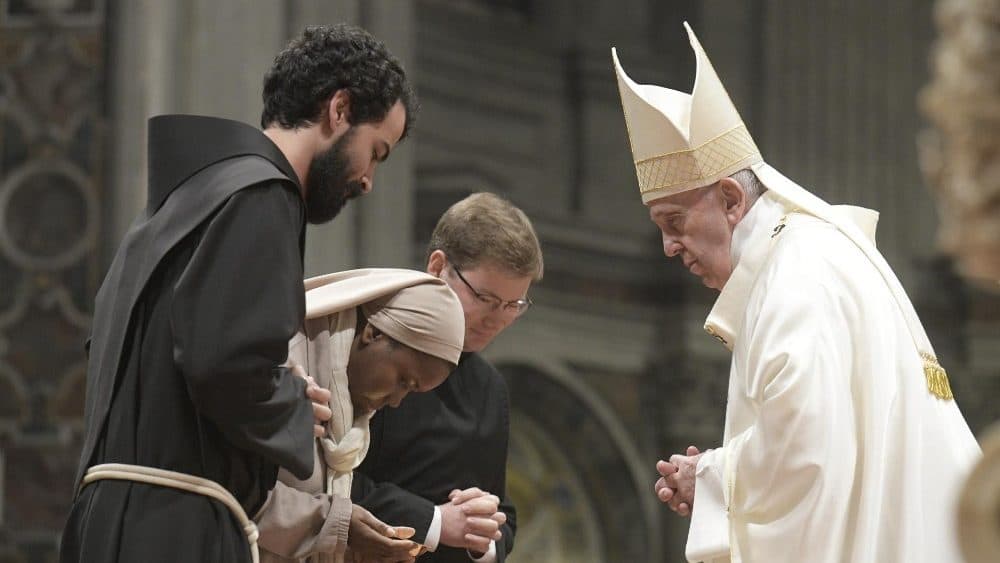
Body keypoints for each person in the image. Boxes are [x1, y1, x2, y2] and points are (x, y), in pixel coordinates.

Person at [612, 23, 981, 563]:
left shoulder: (795, 275)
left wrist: (710, 477)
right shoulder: (807, 253)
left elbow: (806, 454)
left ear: (732, 199)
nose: (669, 247)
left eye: (675, 221)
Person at [61, 24, 416, 563]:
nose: (368, 179)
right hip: (175, 530)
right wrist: (296, 406)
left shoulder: (189, 197)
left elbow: (184, 359)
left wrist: (276, 379)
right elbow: (222, 364)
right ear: (338, 110)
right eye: (377, 151)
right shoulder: (261, 197)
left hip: (115, 519)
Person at [352, 193, 544, 562]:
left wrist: (483, 533)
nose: (497, 319)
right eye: (486, 298)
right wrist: (435, 521)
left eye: (513, 306)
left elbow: (502, 511)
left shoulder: (489, 387)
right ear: (438, 267)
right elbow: (330, 485)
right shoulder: (370, 346)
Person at [256, 268, 466, 563]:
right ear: (373, 333)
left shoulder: (350, 402)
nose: (395, 401)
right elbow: (230, 484)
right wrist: (335, 525)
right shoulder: (282, 357)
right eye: (403, 380)